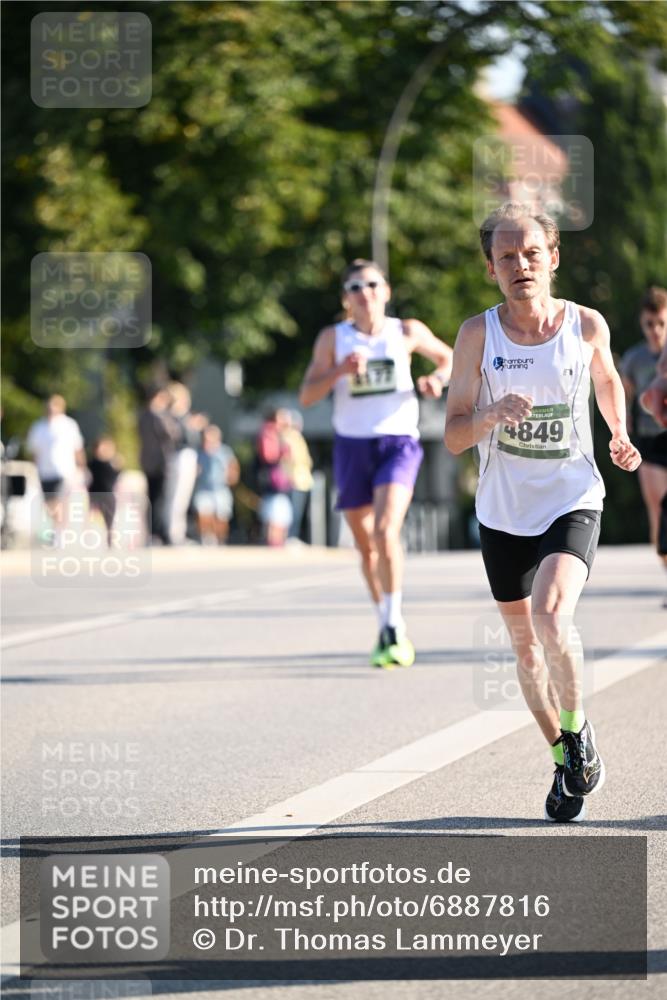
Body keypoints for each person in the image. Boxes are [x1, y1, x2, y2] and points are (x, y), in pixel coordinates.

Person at [444, 202, 641, 823]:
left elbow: (608, 380)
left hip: (570, 495)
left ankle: (578, 728)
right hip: (503, 509)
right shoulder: (478, 335)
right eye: (507, 257)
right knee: (525, 648)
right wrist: (489, 417)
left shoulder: (585, 325)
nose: (520, 265)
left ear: (553, 258)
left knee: (551, 614)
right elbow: (452, 434)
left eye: (532, 253)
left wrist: (618, 430)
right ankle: (564, 756)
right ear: (491, 270)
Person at [299, 258, 452, 667]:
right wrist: (338, 371)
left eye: (370, 284)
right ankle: (385, 617)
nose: (363, 293)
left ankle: (393, 625)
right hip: (352, 446)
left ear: (385, 291)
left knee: (386, 531)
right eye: (353, 287)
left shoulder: (406, 331)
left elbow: (450, 358)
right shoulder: (333, 339)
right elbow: (307, 396)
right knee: (366, 549)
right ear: (345, 299)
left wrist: (437, 380)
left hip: (398, 442)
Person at [619, 287, 667, 571]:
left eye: (662, 323)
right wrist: (623, 427)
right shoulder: (634, 358)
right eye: (650, 324)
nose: (656, 330)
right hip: (648, 440)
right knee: (658, 510)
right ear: (641, 322)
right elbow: (624, 396)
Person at [26, 395, 86, 544]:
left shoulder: (69, 425)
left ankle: (59, 533)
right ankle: (56, 528)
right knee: (49, 504)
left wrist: (81, 467)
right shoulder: (38, 427)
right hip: (45, 471)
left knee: (59, 502)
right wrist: (34, 469)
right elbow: (35, 451)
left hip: (64, 470)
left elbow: (77, 448)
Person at [138, 385, 176, 545]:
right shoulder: (157, 416)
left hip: (149, 462)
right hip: (159, 462)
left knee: (154, 498)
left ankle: (154, 532)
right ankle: (159, 532)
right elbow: (171, 433)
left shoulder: (143, 415)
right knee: (160, 499)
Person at [193, 425, 239, 545]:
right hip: (204, 488)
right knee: (203, 513)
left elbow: (233, 466)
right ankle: (206, 538)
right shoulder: (199, 452)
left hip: (221, 488)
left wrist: (231, 478)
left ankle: (220, 539)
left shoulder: (224, 451)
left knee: (222, 517)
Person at [255, 408, 293, 547]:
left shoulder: (278, 434)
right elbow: (268, 456)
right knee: (274, 515)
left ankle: (278, 542)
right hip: (272, 482)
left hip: (279, 482)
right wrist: (282, 452)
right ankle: (274, 543)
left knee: (281, 515)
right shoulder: (268, 433)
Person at [283, 410, 314, 542]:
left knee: (298, 512)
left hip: (302, 480)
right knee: (293, 512)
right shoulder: (289, 437)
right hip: (294, 480)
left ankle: (293, 536)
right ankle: (290, 536)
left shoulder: (296, 437)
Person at [87, 436, 122, 547]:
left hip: (108, 495)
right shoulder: (92, 463)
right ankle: (91, 542)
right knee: (93, 520)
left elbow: (116, 478)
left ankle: (109, 542)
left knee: (109, 521)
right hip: (95, 495)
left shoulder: (112, 463)